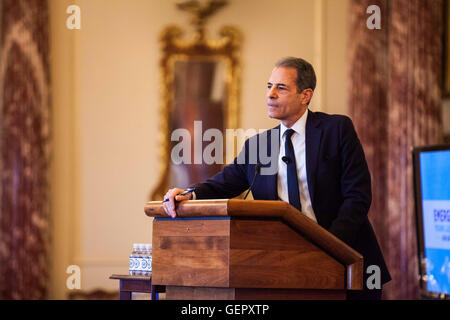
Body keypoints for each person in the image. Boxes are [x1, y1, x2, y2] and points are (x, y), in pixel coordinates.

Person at [162, 57, 391, 300]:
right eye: (269, 86)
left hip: (345, 261)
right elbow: (223, 183)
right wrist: (188, 194)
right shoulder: (260, 145)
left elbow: (357, 196)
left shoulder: (336, 130)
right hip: (281, 267)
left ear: (306, 95)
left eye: (281, 88)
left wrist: (330, 246)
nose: (270, 94)